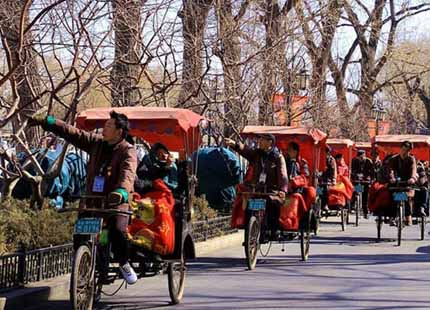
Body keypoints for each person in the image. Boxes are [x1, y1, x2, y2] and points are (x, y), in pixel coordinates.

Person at [29, 111, 138, 285]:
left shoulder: (128, 151)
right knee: (81, 233)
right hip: (92, 200)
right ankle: (82, 263)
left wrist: (122, 192)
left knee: (117, 231)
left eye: (109, 125)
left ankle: (124, 263)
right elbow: (72, 132)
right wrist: (48, 121)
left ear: (119, 131)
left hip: (115, 202)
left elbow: (128, 174)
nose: (105, 128)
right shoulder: (97, 143)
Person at [225, 134, 288, 237]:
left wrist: (282, 190)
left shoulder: (278, 157)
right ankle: (247, 226)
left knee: (273, 204)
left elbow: (283, 175)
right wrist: (235, 145)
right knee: (247, 201)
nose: (259, 141)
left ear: (270, 142)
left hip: (272, 190)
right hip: (257, 188)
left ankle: (273, 230)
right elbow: (246, 151)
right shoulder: (257, 154)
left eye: (262, 139)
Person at [388, 141, 418, 225]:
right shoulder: (394, 159)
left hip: (407, 182)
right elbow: (391, 170)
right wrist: (392, 177)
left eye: (407, 150)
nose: (405, 152)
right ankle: (392, 217)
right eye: (404, 149)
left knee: (407, 197)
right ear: (401, 149)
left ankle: (408, 216)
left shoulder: (411, 159)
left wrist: (412, 178)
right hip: (396, 182)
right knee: (391, 196)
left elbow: (413, 169)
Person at [351, 150, 374, 218]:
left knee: (365, 195)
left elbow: (372, 172)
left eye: (362, 157)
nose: (361, 158)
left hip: (366, 180)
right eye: (359, 157)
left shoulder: (368, 161)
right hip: (357, 179)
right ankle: (353, 205)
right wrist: (354, 176)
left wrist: (371, 179)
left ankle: (365, 211)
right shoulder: (354, 160)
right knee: (355, 192)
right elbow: (351, 170)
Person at [320, 146, 337, 211]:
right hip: (319, 178)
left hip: (328, 178)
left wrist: (333, 180)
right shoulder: (319, 158)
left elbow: (333, 171)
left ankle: (325, 204)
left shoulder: (331, 160)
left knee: (326, 190)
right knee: (317, 190)